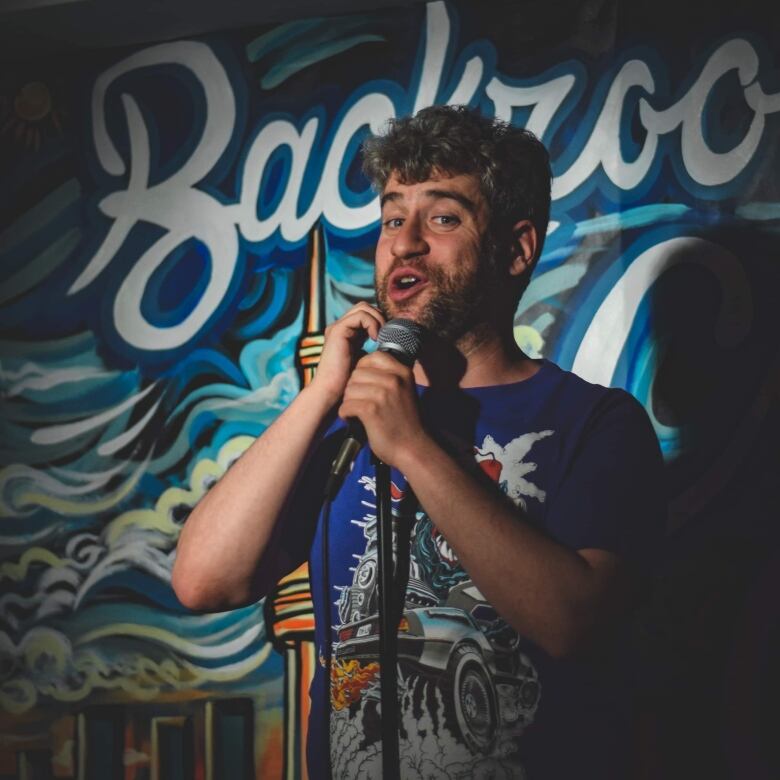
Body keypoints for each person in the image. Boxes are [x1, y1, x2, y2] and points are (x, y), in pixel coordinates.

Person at [172, 105, 665, 779]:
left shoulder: (596, 422)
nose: (404, 243)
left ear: (516, 250)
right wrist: (320, 397)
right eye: (391, 218)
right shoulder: (347, 427)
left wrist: (415, 449)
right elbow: (204, 581)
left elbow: (573, 623)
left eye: (441, 217)